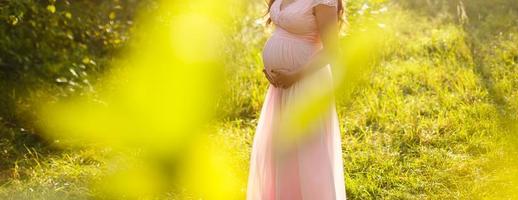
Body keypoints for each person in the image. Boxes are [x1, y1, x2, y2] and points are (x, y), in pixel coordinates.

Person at [246, 0, 347, 199]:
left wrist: (295, 75)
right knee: (283, 151)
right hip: (281, 88)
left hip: (307, 84)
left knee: (306, 152)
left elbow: (332, 51)